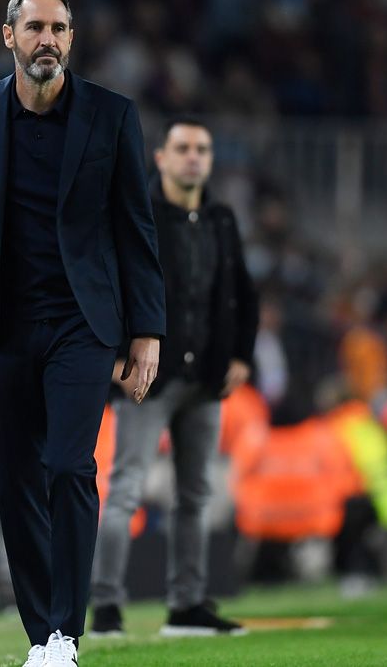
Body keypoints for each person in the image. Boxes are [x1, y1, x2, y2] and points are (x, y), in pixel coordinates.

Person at [0, 0, 165, 667]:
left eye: (58, 28)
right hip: (2, 324)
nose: (46, 39)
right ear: (9, 37)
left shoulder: (112, 116)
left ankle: (65, 634)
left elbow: (136, 230)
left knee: (68, 465)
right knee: (16, 473)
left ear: (71, 39)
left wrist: (148, 331)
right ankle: (39, 635)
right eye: (35, 28)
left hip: (84, 322)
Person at [90, 118, 257, 637]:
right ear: (160, 157)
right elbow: (108, 287)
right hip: (146, 378)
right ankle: (105, 607)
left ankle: (186, 606)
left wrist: (240, 355)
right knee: (126, 490)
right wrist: (116, 359)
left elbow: (240, 291)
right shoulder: (135, 213)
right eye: (182, 148)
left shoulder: (221, 218)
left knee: (195, 495)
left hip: (205, 377)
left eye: (202, 149)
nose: (193, 157)